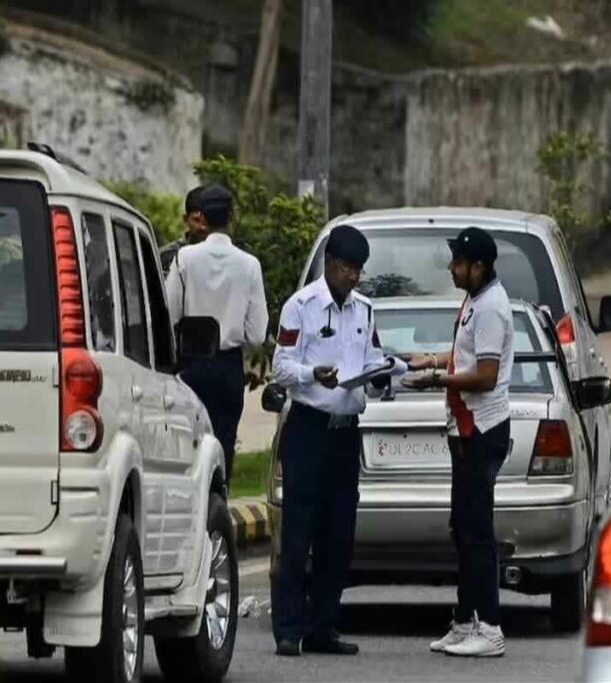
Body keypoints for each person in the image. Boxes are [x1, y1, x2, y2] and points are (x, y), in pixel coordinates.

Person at [271, 225, 407, 658]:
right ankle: (289, 630)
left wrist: (389, 375)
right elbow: (281, 367)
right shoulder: (301, 307)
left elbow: (370, 358)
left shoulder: (365, 310)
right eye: (347, 268)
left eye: (358, 270)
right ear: (330, 264)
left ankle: (323, 627)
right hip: (309, 428)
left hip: (346, 435)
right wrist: (315, 374)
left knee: (338, 535)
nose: (353, 277)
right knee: (298, 533)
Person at [405, 226, 514, 658]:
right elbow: (466, 357)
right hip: (465, 429)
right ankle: (464, 619)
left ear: (478, 266)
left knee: (478, 533)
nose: (451, 268)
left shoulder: (491, 309)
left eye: (457, 262)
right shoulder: (475, 300)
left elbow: (485, 377)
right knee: (462, 529)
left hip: (481, 430)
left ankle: (489, 626)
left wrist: (435, 379)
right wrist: (432, 359)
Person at [165, 184, 269, 485]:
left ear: (203, 220)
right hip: (228, 369)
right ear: (231, 217)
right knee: (223, 448)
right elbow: (257, 334)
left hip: (191, 365)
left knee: (190, 449)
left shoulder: (184, 259)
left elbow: (170, 315)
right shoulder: (250, 265)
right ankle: (218, 512)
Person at [160, 184, 211, 272]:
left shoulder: (225, 257)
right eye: (196, 220)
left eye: (208, 220)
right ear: (186, 219)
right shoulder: (167, 256)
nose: (203, 227)